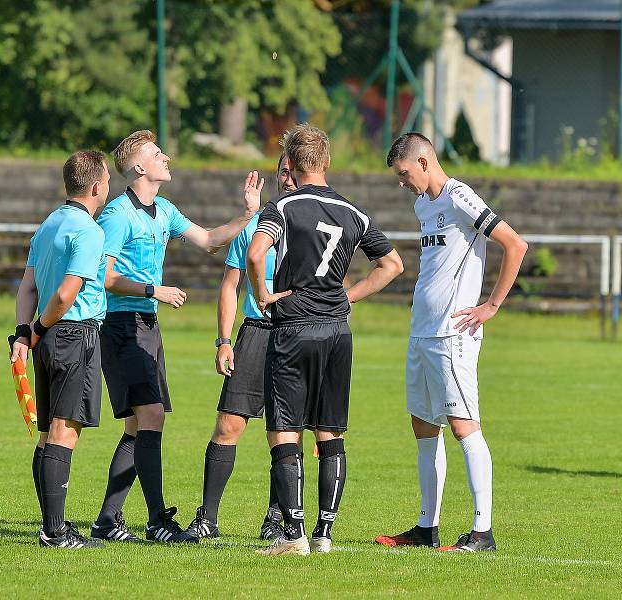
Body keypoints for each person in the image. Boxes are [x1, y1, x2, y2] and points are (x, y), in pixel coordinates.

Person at [90, 130, 263, 544]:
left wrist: (247, 214)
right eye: (156, 153)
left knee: (138, 426)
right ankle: (156, 521)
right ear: (140, 168)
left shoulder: (164, 209)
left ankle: (107, 520)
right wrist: (155, 290)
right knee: (149, 418)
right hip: (120, 326)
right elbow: (106, 277)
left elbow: (207, 241)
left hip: (146, 326)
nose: (165, 156)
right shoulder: (116, 215)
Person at [247, 124, 404, 556]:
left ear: (293, 165)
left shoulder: (281, 207)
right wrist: (346, 297)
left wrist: (262, 293)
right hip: (337, 331)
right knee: (330, 430)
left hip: (293, 328)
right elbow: (392, 265)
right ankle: (324, 534)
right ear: (326, 162)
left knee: (284, 431)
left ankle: (293, 536)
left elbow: (256, 253)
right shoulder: (355, 213)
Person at [374, 133, 528, 552]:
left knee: (464, 426)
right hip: (421, 331)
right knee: (424, 427)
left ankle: (483, 533)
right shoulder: (423, 204)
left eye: (404, 174)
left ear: (424, 163)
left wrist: (491, 305)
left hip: (452, 334)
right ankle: (427, 527)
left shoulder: (460, 196)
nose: (401, 182)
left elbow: (515, 244)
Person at [185, 155, 296, 541]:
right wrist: (224, 340)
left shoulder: (317, 222)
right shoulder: (257, 225)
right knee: (228, 424)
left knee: (285, 433)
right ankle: (207, 518)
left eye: (295, 170)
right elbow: (230, 286)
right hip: (255, 334)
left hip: (297, 335)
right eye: (283, 170)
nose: (289, 178)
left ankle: (276, 520)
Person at [10, 150, 111, 548]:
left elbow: (27, 286)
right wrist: (37, 326)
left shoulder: (49, 223)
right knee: (64, 432)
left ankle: (53, 525)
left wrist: (24, 332)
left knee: (48, 433)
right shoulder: (89, 231)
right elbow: (68, 293)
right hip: (73, 334)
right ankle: (54, 532)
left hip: (48, 339)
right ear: (96, 186)